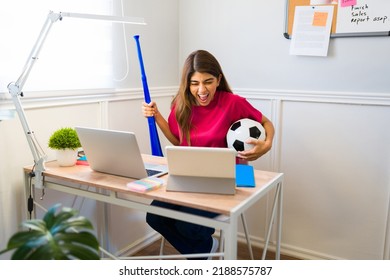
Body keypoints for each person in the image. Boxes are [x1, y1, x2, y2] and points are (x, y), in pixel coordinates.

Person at [141, 50, 274, 259]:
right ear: (187, 83)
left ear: (218, 79)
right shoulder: (181, 104)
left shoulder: (232, 102)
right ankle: (205, 251)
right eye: (195, 83)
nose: (201, 90)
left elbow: (267, 123)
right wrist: (157, 116)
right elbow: (178, 141)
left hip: (226, 178)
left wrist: (266, 145)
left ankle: (201, 255)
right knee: (155, 216)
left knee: (187, 224)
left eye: (208, 82)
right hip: (189, 177)